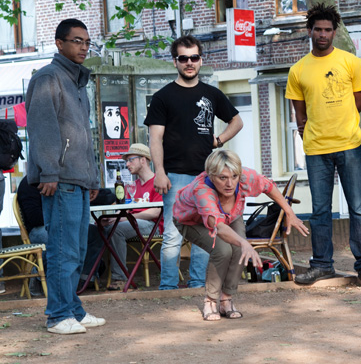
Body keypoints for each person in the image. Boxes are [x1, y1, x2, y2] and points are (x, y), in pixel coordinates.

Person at [285, 3, 361, 284]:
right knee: (320, 211)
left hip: (349, 145)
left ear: (334, 32)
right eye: (318, 29)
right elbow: (299, 114)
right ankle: (322, 264)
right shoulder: (298, 70)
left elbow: (359, 103)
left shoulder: (351, 62)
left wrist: (339, 123)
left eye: (327, 30)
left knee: (359, 207)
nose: (322, 34)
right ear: (309, 31)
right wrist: (311, 134)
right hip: (316, 150)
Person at [25, 18, 105, 334]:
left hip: (78, 178)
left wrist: (94, 178)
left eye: (87, 42)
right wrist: (49, 171)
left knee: (79, 250)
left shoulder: (76, 82)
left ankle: (73, 309)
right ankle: (58, 315)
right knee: (63, 248)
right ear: (59, 43)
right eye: (76, 41)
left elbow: (83, 135)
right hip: (59, 179)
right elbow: (42, 129)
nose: (83, 46)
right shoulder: (48, 77)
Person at [144, 35, 243, 290]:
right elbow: (155, 138)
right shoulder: (162, 97)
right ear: (175, 61)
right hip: (174, 176)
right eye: (184, 58)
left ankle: (198, 284)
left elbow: (237, 121)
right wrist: (160, 172)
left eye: (194, 58)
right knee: (172, 235)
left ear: (201, 60)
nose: (189, 62)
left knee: (207, 232)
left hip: (208, 178)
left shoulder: (211, 94)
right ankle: (167, 288)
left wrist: (218, 140)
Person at [173, 149, 308, 320]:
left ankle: (226, 299)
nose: (230, 183)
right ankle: (210, 300)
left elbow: (268, 186)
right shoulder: (202, 191)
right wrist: (243, 243)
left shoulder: (245, 177)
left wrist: (289, 212)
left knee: (238, 250)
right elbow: (219, 227)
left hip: (231, 215)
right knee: (223, 250)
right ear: (211, 175)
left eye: (234, 177)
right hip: (191, 221)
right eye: (223, 178)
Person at [102, 144, 163, 291]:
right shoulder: (132, 186)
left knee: (117, 230)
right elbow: (125, 209)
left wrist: (127, 218)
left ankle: (120, 278)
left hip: (152, 225)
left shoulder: (157, 182)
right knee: (104, 227)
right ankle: (94, 276)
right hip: (133, 224)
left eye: (130, 160)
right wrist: (113, 218)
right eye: (126, 161)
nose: (127, 164)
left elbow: (155, 212)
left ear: (143, 160)